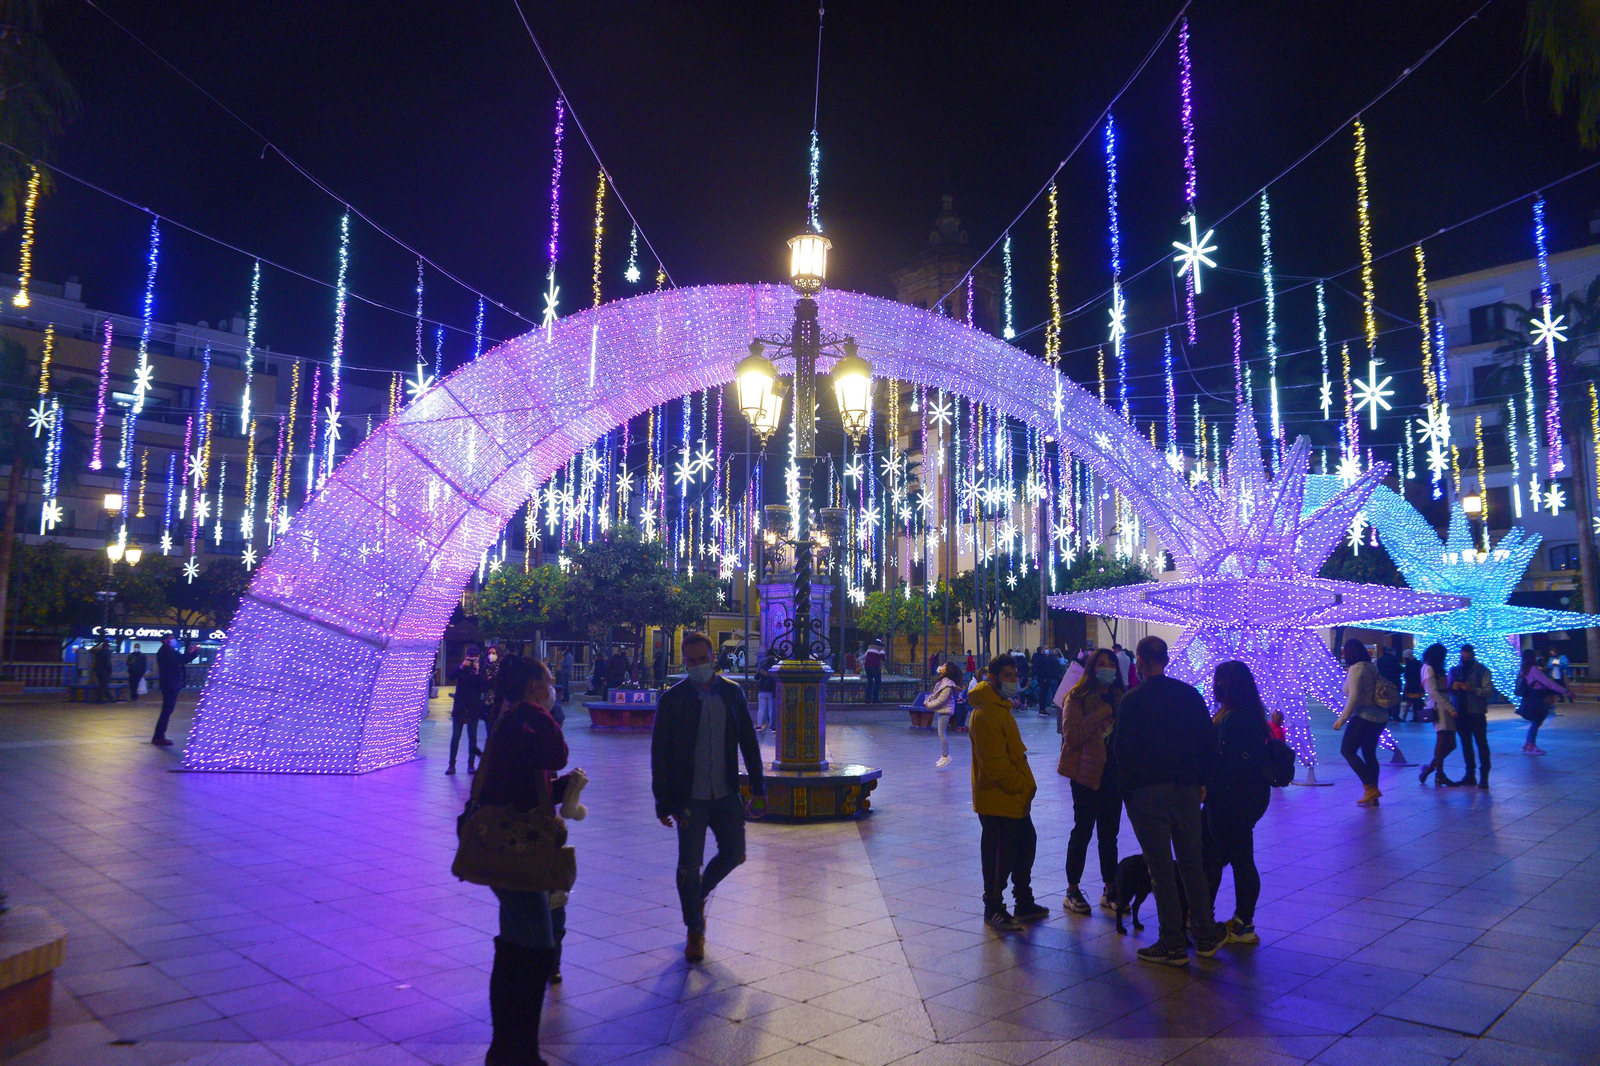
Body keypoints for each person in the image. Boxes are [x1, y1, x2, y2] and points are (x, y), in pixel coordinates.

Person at [477, 654, 570, 1066]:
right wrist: (539, 708)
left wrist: (561, 790)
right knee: (536, 949)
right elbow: (557, 751)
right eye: (547, 684)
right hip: (515, 853)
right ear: (533, 688)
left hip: (512, 848)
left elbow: (523, 782)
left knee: (514, 947)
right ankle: (521, 1054)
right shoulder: (520, 721)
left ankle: (507, 1050)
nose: (552, 691)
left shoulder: (514, 723)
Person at [651, 632, 765, 962]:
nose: (698, 665)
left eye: (703, 659)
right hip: (690, 798)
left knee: (735, 853)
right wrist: (662, 799)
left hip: (726, 792)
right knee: (689, 864)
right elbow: (660, 753)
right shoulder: (672, 700)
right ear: (684, 661)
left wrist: (759, 790)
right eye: (692, 660)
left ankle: (697, 895)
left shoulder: (732, 694)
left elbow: (749, 743)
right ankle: (694, 930)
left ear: (714, 658)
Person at [1113, 635, 1222, 965]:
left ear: (1141, 663)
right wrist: (1202, 781)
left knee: (1159, 867)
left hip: (1147, 794)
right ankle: (1203, 934)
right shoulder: (1189, 696)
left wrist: (1128, 791)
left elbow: (1121, 751)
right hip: (1186, 790)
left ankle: (1172, 942)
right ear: (1167, 660)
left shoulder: (1132, 701)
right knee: (1191, 864)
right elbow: (1208, 742)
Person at [968, 654, 1047, 931]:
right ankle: (993, 907)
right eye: (1007, 676)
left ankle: (1023, 900)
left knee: (1025, 845)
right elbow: (996, 766)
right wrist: (1023, 786)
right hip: (997, 799)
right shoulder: (986, 713)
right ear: (992, 678)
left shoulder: (1001, 707)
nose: (1013, 681)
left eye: (1015, 676)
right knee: (999, 857)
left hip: (1014, 799)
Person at [1203, 661, 1272, 945]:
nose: (1215, 686)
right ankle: (1218, 917)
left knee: (1233, 858)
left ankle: (1239, 922)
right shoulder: (1250, 714)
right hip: (1248, 796)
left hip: (1230, 799)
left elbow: (1223, 762)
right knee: (1223, 856)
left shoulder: (1233, 719)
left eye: (1219, 681)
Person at [1057, 648, 1124, 916]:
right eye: (1101, 664)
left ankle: (1110, 889)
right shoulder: (1077, 697)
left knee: (1110, 835)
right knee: (1082, 831)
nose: (1107, 669)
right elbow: (1071, 737)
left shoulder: (1122, 698)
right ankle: (1072, 890)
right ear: (1092, 669)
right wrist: (1099, 713)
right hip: (1085, 775)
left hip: (1113, 775)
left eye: (1111, 664)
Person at [1333, 639, 1387, 806]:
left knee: (1347, 751)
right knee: (1369, 754)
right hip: (1380, 717)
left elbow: (1354, 697)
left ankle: (1370, 788)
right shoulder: (1371, 667)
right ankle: (1373, 795)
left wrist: (1342, 719)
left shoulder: (1356, 669)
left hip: (1363, 717)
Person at [1450, 644, 1495, 789]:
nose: (1465, 660)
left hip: (1476, 712)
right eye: (1463, 657)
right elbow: (1448, 689)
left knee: (1481, 743)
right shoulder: (1455, 670)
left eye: (1468, 657)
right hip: (1461, 713)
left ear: (1473, 656)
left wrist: (1473, 689)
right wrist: (1453, 687)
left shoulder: (1482, 670)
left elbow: (1489, 691)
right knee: (1466, 744)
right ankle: (1470, 775)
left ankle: (1484, 777)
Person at [1417, 643, 1462, 787]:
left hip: (1443, 705)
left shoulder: (1433, 669)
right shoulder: (1428, 669)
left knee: (1449, 743)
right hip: (1440, 708)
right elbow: (1433, 692)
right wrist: (1450, 708)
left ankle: (1434, 771)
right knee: (1444, 741)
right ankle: (1436, 772)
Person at [1517, 648, 1569, 755]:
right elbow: (1548, 683)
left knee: (1537, 720)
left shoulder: (1524, 669)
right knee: (1537, 720)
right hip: (1535, 698)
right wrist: (1565, 691)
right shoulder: (1533, 669)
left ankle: (1528, 743)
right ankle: (1531, 745)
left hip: (1528, 697)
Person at [151, 635, 199, 747]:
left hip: (172, 683)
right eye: (170, 638)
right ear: (164, 641)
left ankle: (159, 736)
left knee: (167, 710)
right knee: (167, 710)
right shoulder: (165, 652)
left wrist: (193, 652)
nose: (173, 640)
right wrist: (191, 652)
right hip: (169, 684)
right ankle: (158, 736)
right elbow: (181, 659)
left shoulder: (171, 651)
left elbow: (184, 659)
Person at [446, 646, 486, 775]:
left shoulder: (481, 670)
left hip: (473, 707)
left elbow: (484, 687)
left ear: (479, 657)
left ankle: (471, 764)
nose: (473, 658)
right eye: (470, 655)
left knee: (472, 737)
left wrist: (477, 672)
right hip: (460, 707)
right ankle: (451, 765)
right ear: (466, 656)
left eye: (475, 656)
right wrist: (461, 667)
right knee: (456, 737)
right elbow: (450, 676)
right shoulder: (461, 668)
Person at [926, 662, 962, 768]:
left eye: (944, 666)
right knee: (941, 732)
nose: (941, 667)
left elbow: (942, 699)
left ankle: (945, 755)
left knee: (942, 732)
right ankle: (944, 755)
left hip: (945, 710)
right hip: (943, 709)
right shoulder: (943, 682)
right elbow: (935, 694)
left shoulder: (947, 684)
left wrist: (929, 705)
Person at [1375, 643, 1403, 721]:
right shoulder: (1393, 659)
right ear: (1392, 652)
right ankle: (1395, 715)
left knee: (1386, 698)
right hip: (1394, 682)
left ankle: (1387, 714)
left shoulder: (1380, 660)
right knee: (1395, 699)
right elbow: (1399, 669)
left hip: (1383, 682)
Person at [754, 650, 778, 732]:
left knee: (761, 709)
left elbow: (756, 677)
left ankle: (759, 725)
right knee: (771, 710)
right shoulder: (774, 670)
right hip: (771, 692)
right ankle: (772, 726)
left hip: (762, 691)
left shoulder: (763, 669)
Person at [1400, 646, 1423, 722]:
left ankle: (1412, 717)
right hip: (1419, 686)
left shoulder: (1409, 664)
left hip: (1411, 686)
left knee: (1411, 701)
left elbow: (1407, 675)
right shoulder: (1419, 663)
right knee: (1418, 702)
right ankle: (1418, 716)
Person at [862, 639, 885, 704]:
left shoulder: (870, 644)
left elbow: (866, 655)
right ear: (882, 638)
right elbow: (882, 656)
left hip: (867, 666)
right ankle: (875, 698)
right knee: (878, 682)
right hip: (875, 666)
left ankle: (867, 698)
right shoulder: (881, 645)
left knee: (870, 682)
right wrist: (884, 658)